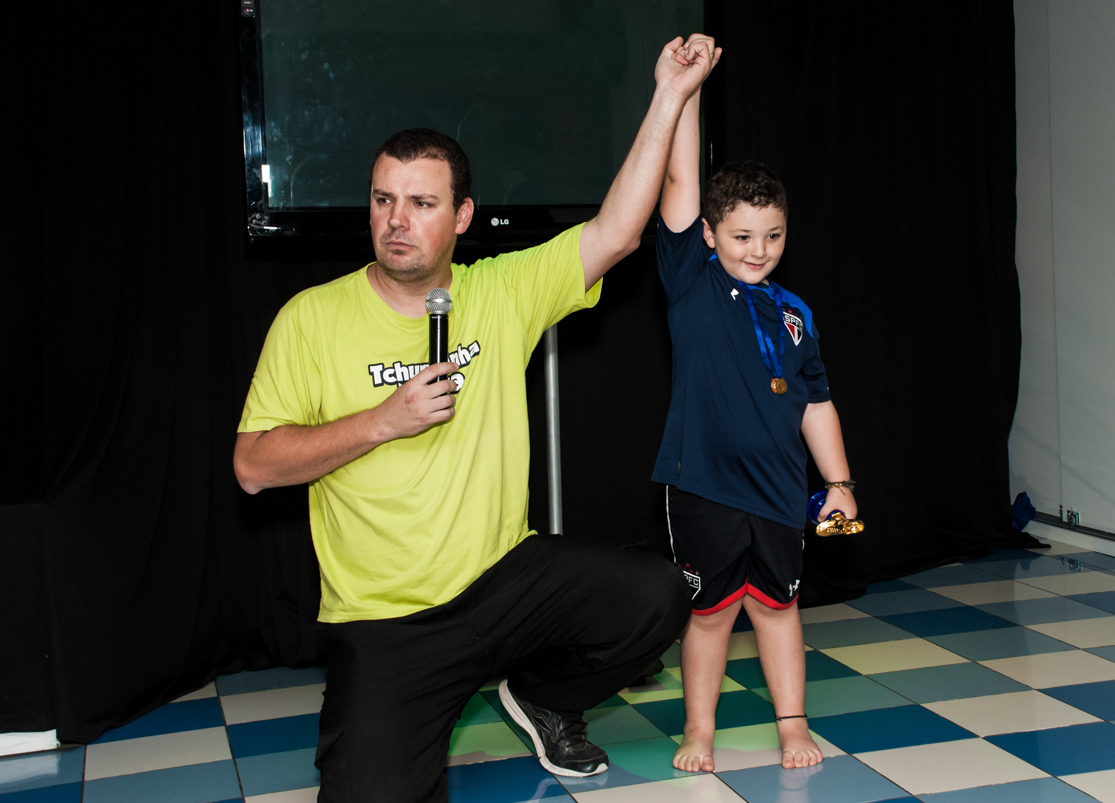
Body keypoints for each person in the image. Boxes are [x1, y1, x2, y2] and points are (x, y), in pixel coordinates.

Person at [232, 34, 721, 803]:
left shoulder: (500, 290)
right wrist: (380, 421)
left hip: (503, 581)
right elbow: (253, 467)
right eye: (383, 199)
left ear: (461, 215)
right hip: (387, 620)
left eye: (422, 204)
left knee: (657, 593)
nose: (397, 220)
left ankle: (544, 695)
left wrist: (668, 92)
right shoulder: (310, 319)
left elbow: (619, 230)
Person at [652, 82, 857, 774]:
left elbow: (815, 402)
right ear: (709, 234)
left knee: (779, 608)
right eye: (741, 235)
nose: (759, 249)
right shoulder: (691, 279)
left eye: (773, 235)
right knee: (708, 614)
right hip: (703, 485)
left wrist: (839, 482)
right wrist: (686, 92)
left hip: (776, 489)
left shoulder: (794, 312)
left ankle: (792, 722)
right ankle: (700, 728)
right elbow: (683, 177)